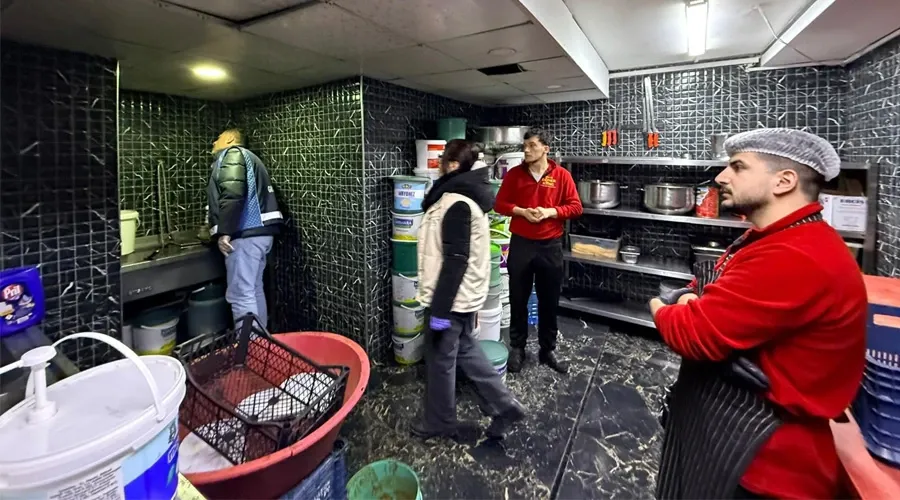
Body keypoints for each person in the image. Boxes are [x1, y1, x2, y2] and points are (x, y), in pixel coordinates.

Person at [649, 128, 867, 499]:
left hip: (759, 460)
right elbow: (701, 296)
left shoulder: (797, 255)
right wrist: (693, 302)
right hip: (718, 430)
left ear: (784, 181)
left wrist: (662, 305)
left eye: (738, 167)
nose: (721, 177)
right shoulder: (770, 237)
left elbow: (692, 333)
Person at [412, 139, 526, 440]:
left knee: (440, 359)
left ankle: (439, 421)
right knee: (464, 349)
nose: (438, 166)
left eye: (442, 161)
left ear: (452, 165)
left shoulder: (457, 202)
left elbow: (455, 260)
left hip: (451, 299)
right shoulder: (465, 195)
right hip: (461, 297)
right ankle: (505, 406)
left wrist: (439, 310)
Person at [493, 129, 583, 374]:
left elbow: (576, 207)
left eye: (532, 145)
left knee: (549, 300)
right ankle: (517, 348)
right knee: (518, 299)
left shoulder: (561, 175)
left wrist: (550, 212)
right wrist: (522, 211)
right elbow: (499, 204)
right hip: (521, 244)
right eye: (525, 145)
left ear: (546, 149)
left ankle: (548, 349)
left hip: (550, 246)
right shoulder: (515, 175)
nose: (526, 150)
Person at [207, 129, 283, 328]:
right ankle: (261, 342)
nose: (214, 142)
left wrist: (225, 231)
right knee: (253, 290)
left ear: (230, 139)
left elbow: (233, 193)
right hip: (261, 234)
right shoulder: (250, 158)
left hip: (245, 234)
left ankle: (248, 346)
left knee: (241, 295)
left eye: (218, 138)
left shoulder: (232, 154)